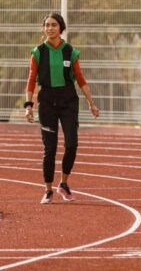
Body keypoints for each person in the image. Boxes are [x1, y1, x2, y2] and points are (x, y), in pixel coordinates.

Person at [24, 12, 100, 204]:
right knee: (50, 148)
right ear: (44, 28)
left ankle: (64, 183)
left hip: (68, 101)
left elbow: (81, 79)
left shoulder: (70, 52)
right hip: (47, 101)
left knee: (72, 144)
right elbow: (31, 80)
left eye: (54, 25)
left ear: (61, 28)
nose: (50, 28)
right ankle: (48, 189)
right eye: (47, 25)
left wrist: (91, 103)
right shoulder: (38, 52)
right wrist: (29, 105)